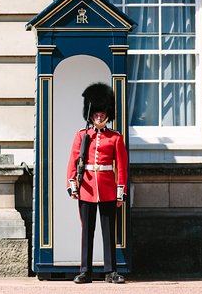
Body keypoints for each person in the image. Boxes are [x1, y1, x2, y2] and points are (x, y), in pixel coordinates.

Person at [66, 82, 128, 284]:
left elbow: (122, 166)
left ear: (107, 114)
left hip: (109, 189)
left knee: (109, 232)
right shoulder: (82, 136)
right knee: (87, 231)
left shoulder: (115, 138)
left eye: (102, 114)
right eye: (96, 114)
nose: (99, 117)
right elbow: (73, 162)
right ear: (91, 115)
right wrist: (73, 186)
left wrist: (121, 191)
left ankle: (110, 271)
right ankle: (86, 271)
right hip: (87, 188)